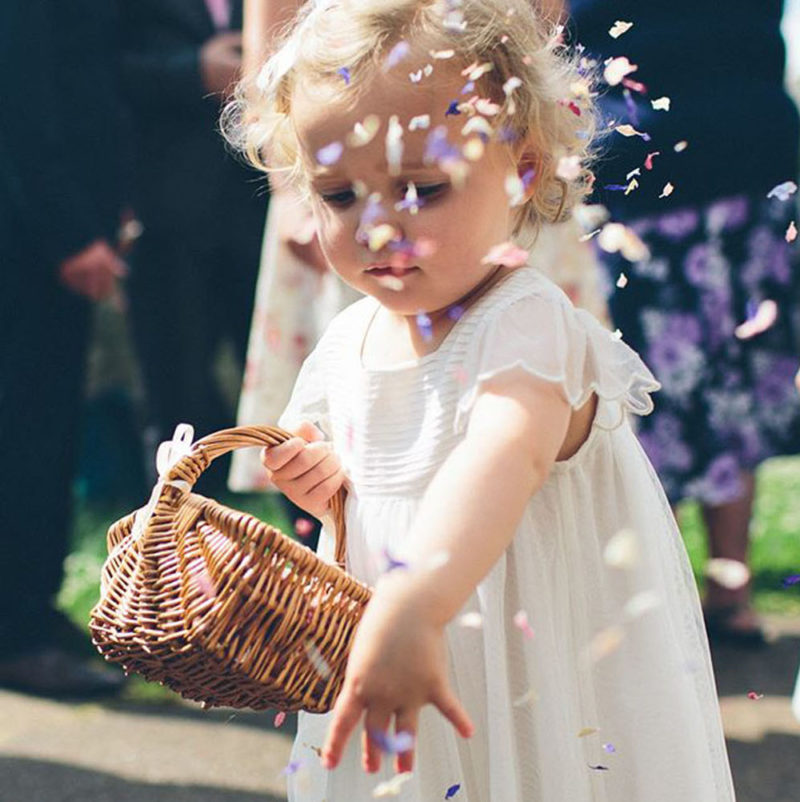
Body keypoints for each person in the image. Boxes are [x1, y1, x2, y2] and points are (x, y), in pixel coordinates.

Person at [225, 1, 736, 798]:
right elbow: (346, 471)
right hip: (404, 665)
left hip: (525, 680)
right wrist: (312, 473)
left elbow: (507, 451)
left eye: (423, 189)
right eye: (337, 195)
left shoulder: (527, 325)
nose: (379, 228)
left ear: (523, 171)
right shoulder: (351, 338)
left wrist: (414, 604)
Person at [570, 0, 800, 645]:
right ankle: (692, 594)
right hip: (665, 173)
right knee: (673, 390)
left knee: (699, 390)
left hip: (712, 172)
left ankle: (703, 593)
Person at [0, 1, 128, 694]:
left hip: (55, 227)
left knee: (47, 429)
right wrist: (69, 232)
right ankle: (14, 632)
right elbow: (19, 95)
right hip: (29, 241)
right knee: (24, 432)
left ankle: (31, 609)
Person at [120, 0, 269, 493]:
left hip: (265, 204)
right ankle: (178, 556)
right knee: (175, 401)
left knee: (287, 389)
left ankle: (319, 553)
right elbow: (98, 69)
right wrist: (194, 72)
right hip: (168, 215)